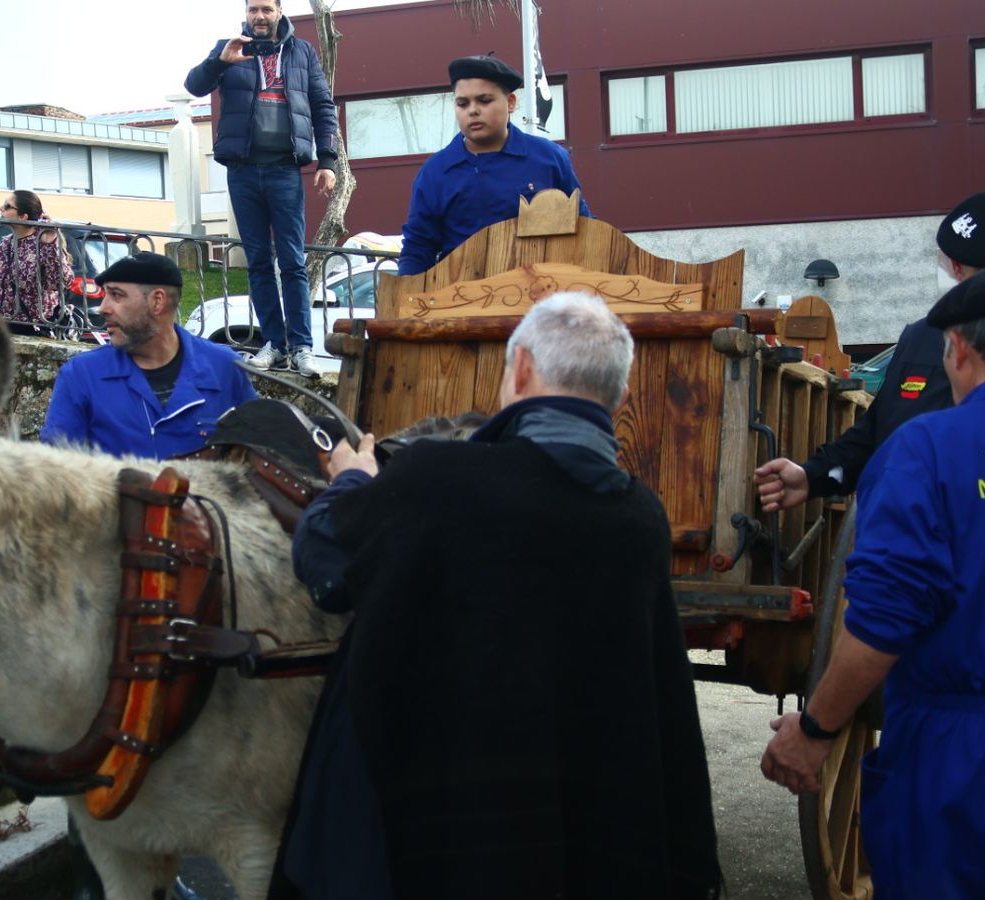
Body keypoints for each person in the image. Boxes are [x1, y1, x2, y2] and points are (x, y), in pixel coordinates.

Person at [270, 292, 721, 899]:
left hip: (434, 832)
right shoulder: (641, 516)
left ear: (523, 368)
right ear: (616, 398)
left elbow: (324, 556)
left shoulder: (436, 478)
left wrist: (353, 477)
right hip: (570, 838)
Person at [760, 266, 985, 898]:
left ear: (959, 350)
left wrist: (814, 731)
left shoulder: (928, 447)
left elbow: (881, 622)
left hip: (962, 758)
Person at [754, 186, 985, 512]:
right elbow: (876, 431)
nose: (953, 272)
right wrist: (813, 476)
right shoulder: (926, 335)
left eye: (960, 267)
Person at [185, 0, 339, 378]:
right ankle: (274, 344)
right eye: (253, 9)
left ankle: (302, 347)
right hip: (242, 171)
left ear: (279, 11)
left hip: (285, 170)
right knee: (257, 261)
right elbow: (194, 85)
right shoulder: (229, 48)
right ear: (246, 13)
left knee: (292, 261)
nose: (259, 16)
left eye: (266, 9)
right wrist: (219, 61)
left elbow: (322, 105)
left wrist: (328, 161)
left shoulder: (302, 52)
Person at [41, 251, 256, 458]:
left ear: (157, 301)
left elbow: (255, 458)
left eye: (116, 295)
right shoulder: (81, 375)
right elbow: (54, 470)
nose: (103, 308)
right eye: (105, 295)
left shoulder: (225, 368)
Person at [396, 56, 591, 277]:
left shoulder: (550, 158)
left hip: (545, 291)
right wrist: (406, 291)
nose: (473, 110)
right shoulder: (435, 172)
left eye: (484, 100)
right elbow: (418, 248)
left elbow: (585, 228)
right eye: (462, 104)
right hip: (461, 294)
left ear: (511, 102)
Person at [0, 189, 72, 331]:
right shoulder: (5, 243)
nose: (0, 208)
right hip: (3, 324)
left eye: (7, 206)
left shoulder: (43, 243)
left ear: (23, 217)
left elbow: (62, 282)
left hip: (33, 327)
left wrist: (51, 244)